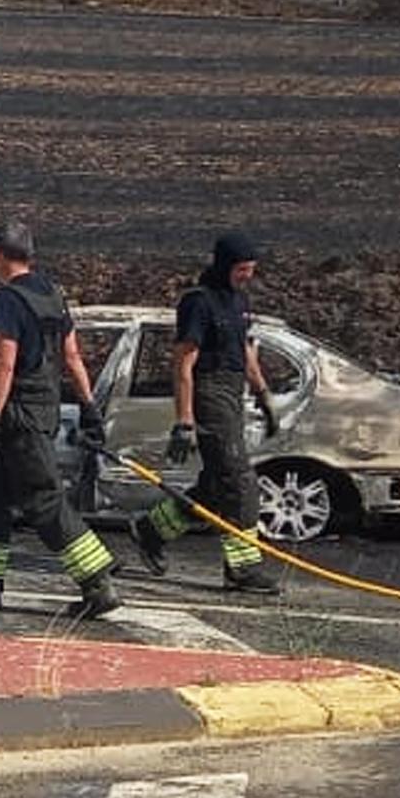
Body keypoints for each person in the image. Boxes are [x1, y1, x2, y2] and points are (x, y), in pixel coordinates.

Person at [0, 222, 122, 619]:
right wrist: (88, 406)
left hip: (18, 412)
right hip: (45, 407)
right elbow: (72, 357)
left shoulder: (8, 299)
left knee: (43, 499)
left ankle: (96, 580)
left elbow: (5, 363)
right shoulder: (52, 293)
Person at [127, 233, 283, 595]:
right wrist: (184, 421)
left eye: (251, 270)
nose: (247, 276)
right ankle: (242, 569)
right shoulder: (198, 303)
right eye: (242, 269)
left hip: (233, 392)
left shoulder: (238, 301)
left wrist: (263, 393)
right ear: (225, 265)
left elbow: (244, 350)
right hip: (208, 392)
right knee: (239, 483)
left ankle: (151, 530)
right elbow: (183, 361)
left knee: (216, 484)